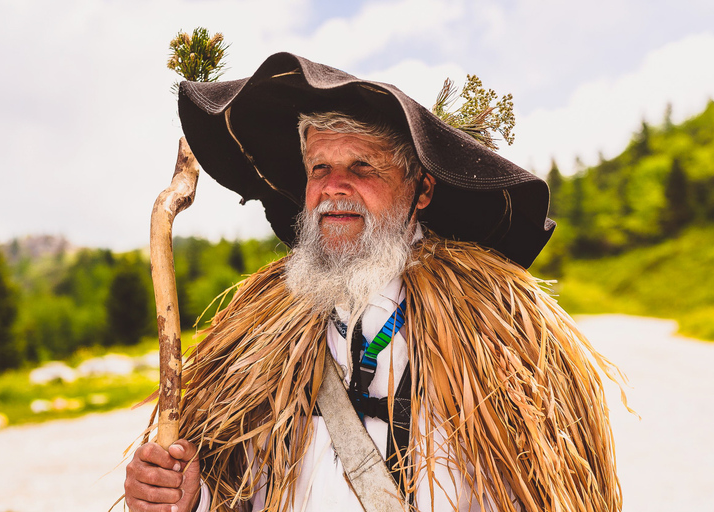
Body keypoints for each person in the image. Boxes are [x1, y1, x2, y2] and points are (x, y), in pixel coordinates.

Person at [125, 53, 622, 512]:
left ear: (421, 189)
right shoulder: (260, 335)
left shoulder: (497, 331)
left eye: (362, 166)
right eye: (320, 167)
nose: (334, 187)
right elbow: (243, 488)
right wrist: (188, 498)